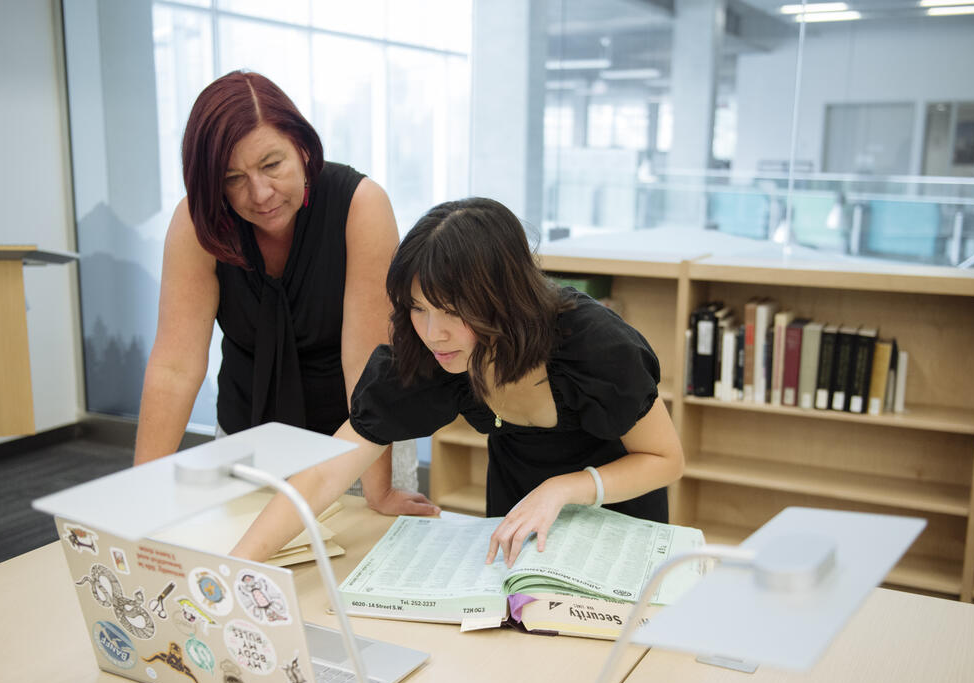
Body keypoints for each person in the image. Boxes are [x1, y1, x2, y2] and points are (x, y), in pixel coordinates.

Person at [230, 197, 685, 567]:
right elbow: (325, 472)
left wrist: (564, 488)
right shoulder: (434, 354)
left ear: (503, 298)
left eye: (451, 310)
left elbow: (665, 459)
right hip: (516, 519)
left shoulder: (597, 346)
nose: (433, 332)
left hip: (618, 521)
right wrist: (235, 566)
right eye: (418, 307)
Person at [134, 70, 434, 519]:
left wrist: (380, 492)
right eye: (233, 178)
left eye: (272, 165)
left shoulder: (360, 206)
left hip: (353, 445)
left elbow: (367, 363)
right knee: (243, 573)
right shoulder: (199, 223)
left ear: (303, 147)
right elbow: (175, 368)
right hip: (245, 443)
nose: (260, 194)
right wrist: (140, 497)